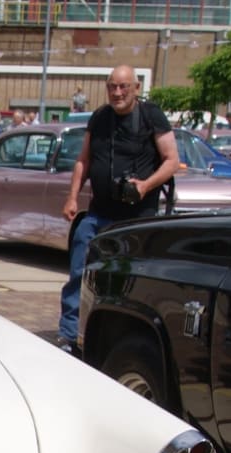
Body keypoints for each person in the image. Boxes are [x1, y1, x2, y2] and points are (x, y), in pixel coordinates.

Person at [58, 65, 179, 351]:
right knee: (80, 268)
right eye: (112, 86)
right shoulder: (100, 117)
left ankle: (126, 336)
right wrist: (72, 197)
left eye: (124, 86)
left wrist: (145, 185)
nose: (117, 92)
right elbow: (83, 160)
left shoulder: (151, 116)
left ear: (136, 88)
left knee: (130, 278)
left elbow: (172, 160)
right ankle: (69, 334)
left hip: (138, 217)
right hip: (99, 212)